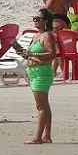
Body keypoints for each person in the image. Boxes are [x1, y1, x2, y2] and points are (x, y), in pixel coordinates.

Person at [15, 9, 57, 144]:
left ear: (46, 21)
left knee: (40, 106)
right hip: (34, 71)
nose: (35, 21)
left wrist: (33, 55)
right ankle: (46, 136)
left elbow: (52, 54)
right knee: (44, 105)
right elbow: (30, 54)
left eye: (38, 19)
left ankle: (38, 137)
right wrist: (23, 53)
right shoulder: (35, 36)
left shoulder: (48, 35)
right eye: (34, 18)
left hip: (42, 72)